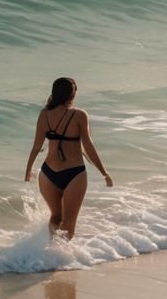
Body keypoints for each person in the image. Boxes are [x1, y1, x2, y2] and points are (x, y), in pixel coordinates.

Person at [24, 77, 112, 238]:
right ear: (72, 95)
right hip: (74, 173)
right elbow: (88, 146)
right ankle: (61, 258)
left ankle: (48, 256)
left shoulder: (44, 114)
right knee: (69, 222)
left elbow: (36, 146)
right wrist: (104, 172)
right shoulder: (79, 115)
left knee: (56, 217)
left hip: (48, 173)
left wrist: (28, 169)